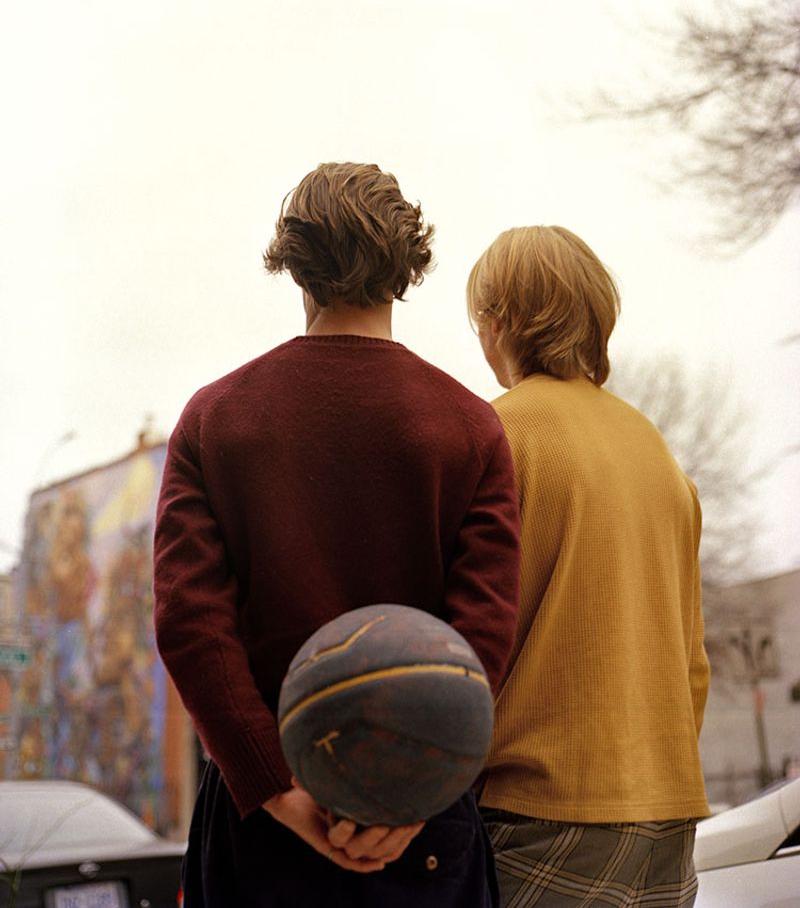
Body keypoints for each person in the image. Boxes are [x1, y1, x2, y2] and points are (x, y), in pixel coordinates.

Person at [153, 162, 521, 908]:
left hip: (261, 822)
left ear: (296, 265)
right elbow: (483, 634)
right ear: (408, 264)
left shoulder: (214, 417)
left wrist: (280, 791)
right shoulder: (471, 426)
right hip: (424, 825)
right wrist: (411, 798)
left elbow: (192, 627)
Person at [466, 226, 710, 908]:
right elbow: (693, 664)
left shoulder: (495, 435)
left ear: (501, 320)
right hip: (669, 810)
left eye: (479, 318)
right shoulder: (659, 454)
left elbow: (460, 641)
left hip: (541, 811)